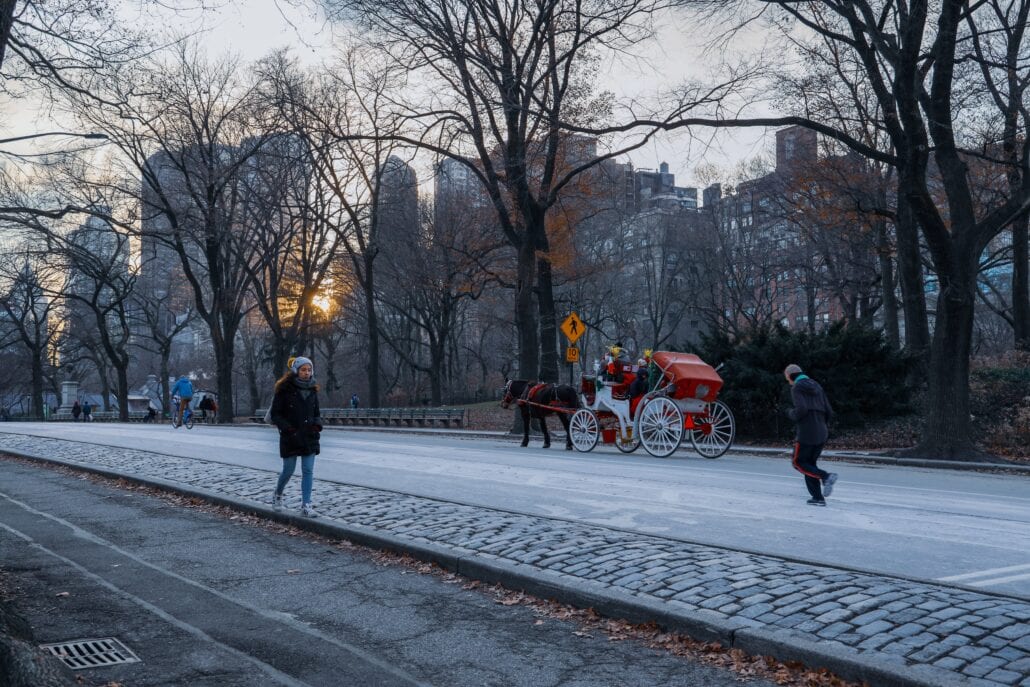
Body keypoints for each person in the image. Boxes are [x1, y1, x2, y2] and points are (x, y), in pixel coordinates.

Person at [270, 356, 323, 518]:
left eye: (309, 370)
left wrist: (317, 425)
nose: (307, 373)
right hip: (290, 436)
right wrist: (289, 429)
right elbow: (275, 415)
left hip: (309, 436)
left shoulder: (313, 389)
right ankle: (278, 494)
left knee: (308, 470)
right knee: (289, 470)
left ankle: (306, 505)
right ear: (296, 371)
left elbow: (316, 413)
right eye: (303, 370)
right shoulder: (284, 389)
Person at [784, 363, 838, 506]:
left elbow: (801, 410)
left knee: (798, 463)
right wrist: (821, 425)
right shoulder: (817, 386)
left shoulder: (797, 387)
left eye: (787, 379)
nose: (788, 382)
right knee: (810, 464)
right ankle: (818, 498)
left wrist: (790, 413)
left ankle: (826, 476)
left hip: (806, 432)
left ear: (790, 376)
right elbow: (829, 411)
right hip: (821, 432)